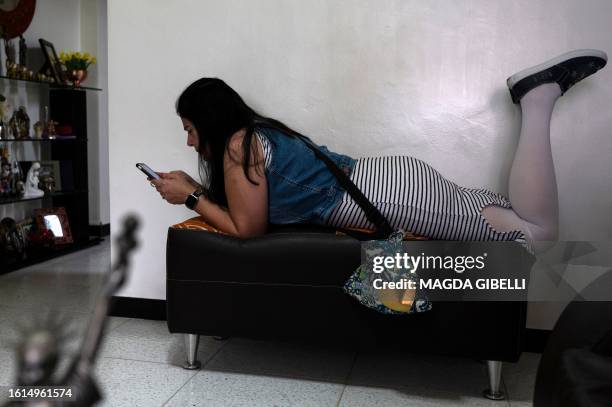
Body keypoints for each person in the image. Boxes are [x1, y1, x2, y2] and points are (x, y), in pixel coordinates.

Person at [151, 50, 607, 251]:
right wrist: (195, 185)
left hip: (392, 197)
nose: (189, 141)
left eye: (190, 129)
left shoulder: (238, 145)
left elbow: (247, 230)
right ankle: (538, 97)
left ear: (209, 122)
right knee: (507, 212)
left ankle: (538, 98)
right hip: (391, 179)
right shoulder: (254, 134)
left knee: (538, 238)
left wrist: (190, 197)